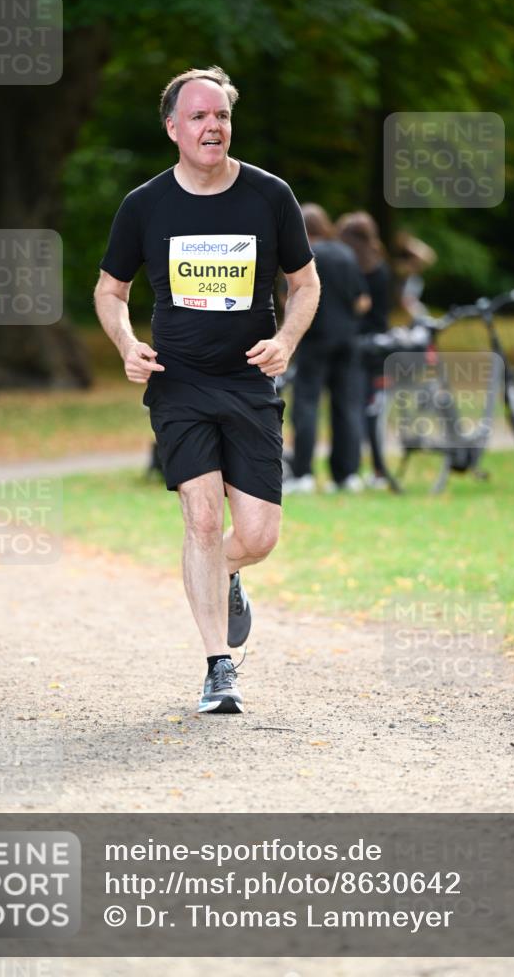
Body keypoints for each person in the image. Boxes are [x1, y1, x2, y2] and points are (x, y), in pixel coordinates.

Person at [94, 66, 319, 715]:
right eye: (197, 116)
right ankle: (218, 666)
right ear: (172, 129)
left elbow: (304, 284)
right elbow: (110, 291)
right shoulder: (145, 205)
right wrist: (125, 343)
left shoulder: (269, 196)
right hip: (179, 383)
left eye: (220, 115)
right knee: (198, 516)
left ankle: (224, 572)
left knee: (256, 534)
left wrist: (286, 343)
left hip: (248, 382)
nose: (211, 126)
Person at [283, 204, 370, 494]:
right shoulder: (345, 253)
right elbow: (362, 302)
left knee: (306, 406)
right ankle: (346, 474)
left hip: (314, 338)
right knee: (347, 406)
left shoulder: (303, 257)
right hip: (347, 339)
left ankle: (303, 473)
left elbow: (291, 301)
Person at [337, 211, 392, 489]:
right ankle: (379, 469)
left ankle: (355, 468)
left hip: (359, 344)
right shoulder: (380, 266)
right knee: (374, 410)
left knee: (356, 408)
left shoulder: (352, 267)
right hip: (380, 344)